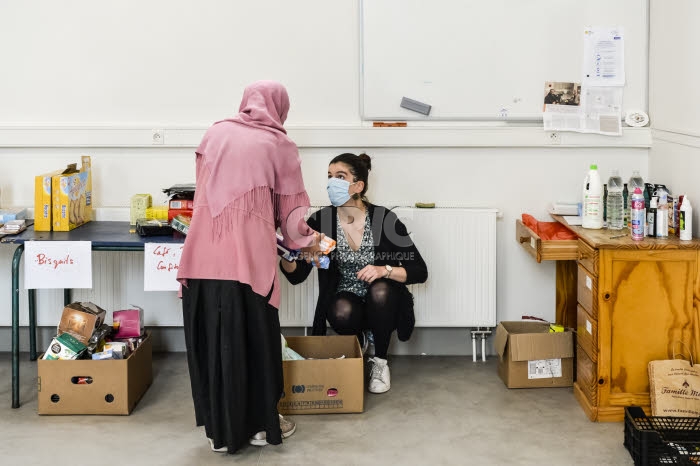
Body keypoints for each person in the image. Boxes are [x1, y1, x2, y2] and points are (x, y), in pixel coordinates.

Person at [177, 81, 321, 454]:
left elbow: (205, 192)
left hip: (200, 260)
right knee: (254, 345)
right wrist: (309, 242)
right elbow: (291, 217)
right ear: (279, 108)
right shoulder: (279, 145)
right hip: (247, 264)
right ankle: (259, 427)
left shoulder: (214, 133)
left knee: (212, 345)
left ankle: (219, 433)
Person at [280, 153, 428, 394]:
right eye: (329, 177)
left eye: (340, 177)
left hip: (383, 297)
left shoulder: (384, 220)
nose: (331, 183)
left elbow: (420, 271)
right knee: (341, 310)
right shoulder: (321, 220)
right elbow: (297, 276)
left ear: (358, 185)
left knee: (380, 290)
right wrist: (289, 255)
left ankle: (380, 361)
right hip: (345, 297)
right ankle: (359, 338)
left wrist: (385, 270)